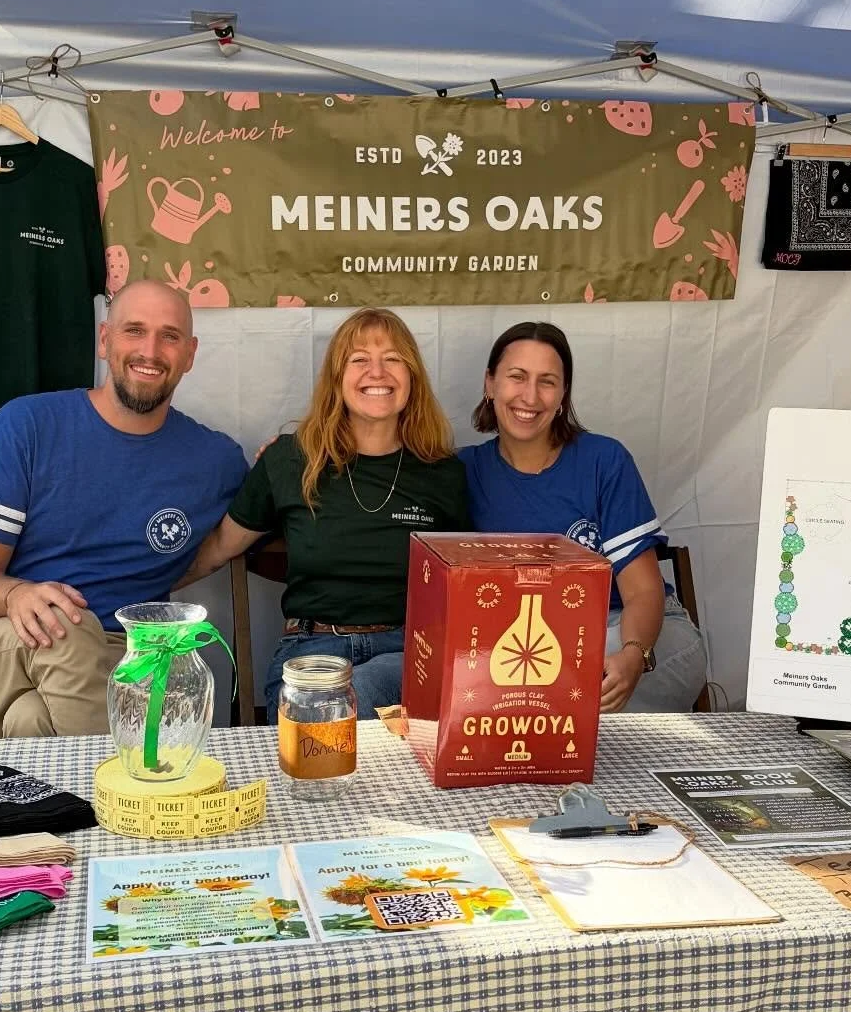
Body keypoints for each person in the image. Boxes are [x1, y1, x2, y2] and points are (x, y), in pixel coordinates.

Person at [0, 279, 247, 737]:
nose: (150, 350)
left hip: (122, 656)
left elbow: (236, 530)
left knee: (30, 721)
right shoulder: (27, 426)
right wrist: (16, 594)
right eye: (134, 331)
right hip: (1, 643)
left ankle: (64, 803)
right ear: (105, 340)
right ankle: (117, 793)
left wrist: (281, 462)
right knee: (70, 627)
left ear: (190, 353)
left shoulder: (214, 461)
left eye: (169, 336)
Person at [190, 308, 469, 720]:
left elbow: (464, 586)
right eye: (358, 360)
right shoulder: (289, 460)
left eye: (393, 359)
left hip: (409, 652)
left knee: (364, 688)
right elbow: (218, 547)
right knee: (324, 707)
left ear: (412, 377)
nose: (377, 372)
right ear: (337, 379)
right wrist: (134, 590)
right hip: (311, 650)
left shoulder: (443, 473)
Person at [461, 320, 708, 713]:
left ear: (563, 396)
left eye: (547, 381)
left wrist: (633, 655)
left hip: (631, 633)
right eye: (516, 377)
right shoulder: (464, 472)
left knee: (571, 676)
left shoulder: (603, 461)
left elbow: (643, 592)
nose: (530, 396)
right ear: (490, 384)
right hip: (528, 647)